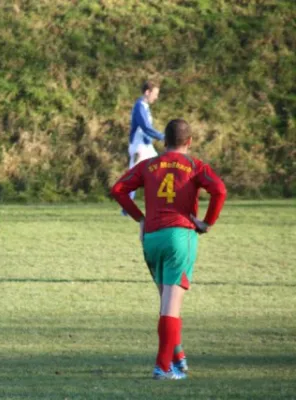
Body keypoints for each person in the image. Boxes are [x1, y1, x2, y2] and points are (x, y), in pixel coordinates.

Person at [110, 119, 227, 380]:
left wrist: (140, 217)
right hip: (179, 236)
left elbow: (118, 189)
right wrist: (207, 223)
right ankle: (163, 367)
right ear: (190, 141)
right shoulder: (195, 166)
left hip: (151, 238)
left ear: (164, 142)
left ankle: (178, 357)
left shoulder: (148, 164)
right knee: (170, 307)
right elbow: (219, 190)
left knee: (167, 304)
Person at [125, 81, 165, 208]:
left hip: (145, 145)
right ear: (147, 92)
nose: (156, 97)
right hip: (140, 146)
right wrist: (163, 137)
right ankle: (127, 206)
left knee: (160, 170)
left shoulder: (144, 107)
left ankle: (161, 202)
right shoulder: (139, 107)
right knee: (134, 177)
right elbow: (146, 128)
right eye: (155, 94)